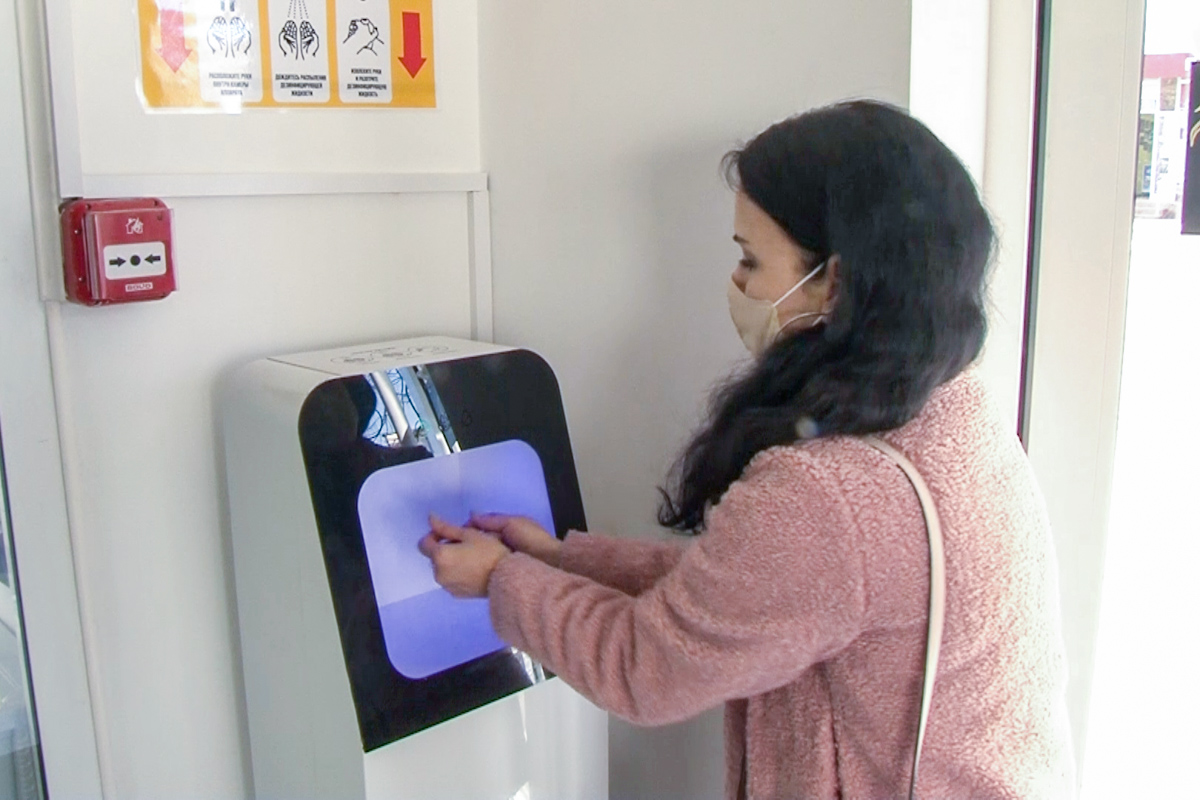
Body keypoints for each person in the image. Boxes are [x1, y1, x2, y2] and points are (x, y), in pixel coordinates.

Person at [418, 100, 1076, 799]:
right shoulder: (956, 415)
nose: (737, 284)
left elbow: (646, 668)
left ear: (834, 282)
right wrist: (563, 560)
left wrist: (501, 582)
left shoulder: (828, 496)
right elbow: (763, 593)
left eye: (751, 259)